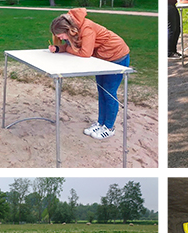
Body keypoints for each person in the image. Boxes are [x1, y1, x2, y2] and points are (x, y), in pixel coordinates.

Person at [48, 9, 130, 140]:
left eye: (60, 35)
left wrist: (67, 49)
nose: (60, 38)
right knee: (101, 91)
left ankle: (109, 127)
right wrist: (58, 48)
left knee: (109, 92)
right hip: (102, 59)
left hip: (117, 57)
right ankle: (100, 123)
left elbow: (85, 53)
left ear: (68, 30)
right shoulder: (75, 30)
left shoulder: (86, 28)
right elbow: (75, 47)